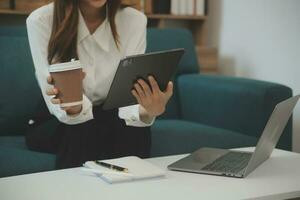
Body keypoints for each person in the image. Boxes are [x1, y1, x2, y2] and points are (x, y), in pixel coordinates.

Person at [26, 0, 173, 169]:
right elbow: (54, 97)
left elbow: (127, 99)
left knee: (135, 128)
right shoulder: (41, 20)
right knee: (80, 130)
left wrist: (146, 111)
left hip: (109, 114)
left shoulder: (134, 20)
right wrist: (74, 107)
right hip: (57, 119)